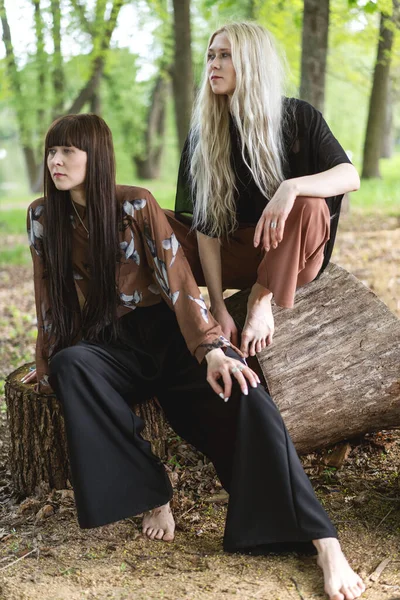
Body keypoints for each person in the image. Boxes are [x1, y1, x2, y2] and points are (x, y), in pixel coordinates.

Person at [22, 114, 364, 600]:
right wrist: (45, 360)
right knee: (70, 365)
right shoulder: (41, 216)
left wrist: (210, 348)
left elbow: (176, 276)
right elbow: (48, 298)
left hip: (170, 333)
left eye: (69, 151)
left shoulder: (134, 202)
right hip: (109, 346)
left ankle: (324, 541)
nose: (57, 161)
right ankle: (153, 492)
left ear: (96, 155)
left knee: (246, 391)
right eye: (52, 151)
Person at [168, 21, 360, 359]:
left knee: (310, 204)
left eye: (225, 55)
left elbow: (349, 176)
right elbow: (206, 229)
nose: (212, 64)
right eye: (211, 55)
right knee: (144, 217)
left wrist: (291, 188)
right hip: (233, 253)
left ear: (251, 62)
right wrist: (218, 304)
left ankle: (261, 296)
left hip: (290, 254)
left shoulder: (298, 116)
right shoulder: (203, 137)